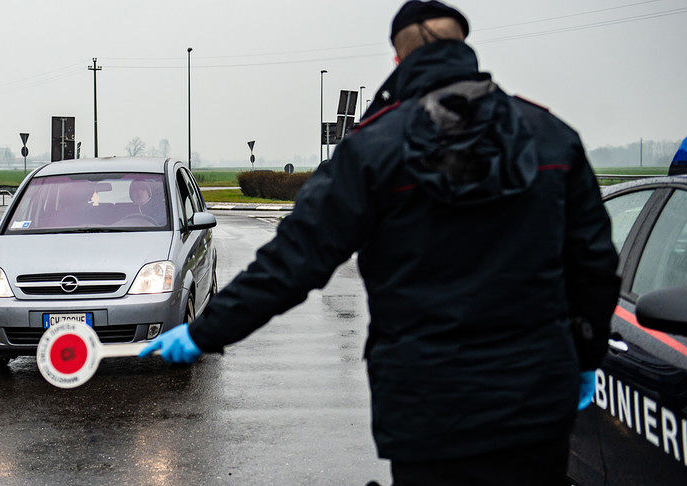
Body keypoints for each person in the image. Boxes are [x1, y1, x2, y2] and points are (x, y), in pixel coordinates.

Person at [141, 1, 620, 484]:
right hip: (537, 392)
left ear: (398, 60)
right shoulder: (551, 138)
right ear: (464, 49)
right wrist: (585, 357)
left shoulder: (373, 148)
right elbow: (595, 265)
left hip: (426, 402)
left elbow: (293, 262)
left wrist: (205, 331)